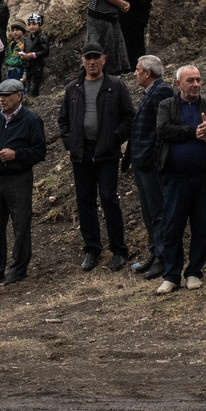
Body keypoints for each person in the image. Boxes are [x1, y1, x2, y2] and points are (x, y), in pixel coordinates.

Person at [151, 65, 206, 293]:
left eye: (198, 80)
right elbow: (163, 130)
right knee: (173, 225)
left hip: (205, 178)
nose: (196, 84)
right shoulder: (167, 105)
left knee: (201, 225)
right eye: (190, 80)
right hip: (176, 178)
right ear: (178, 84)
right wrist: (194, 132)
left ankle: (194, 271)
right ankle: (172, 275)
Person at [56, 48, 132, 273]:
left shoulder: (115, 85)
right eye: (87, 58)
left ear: (103, 59)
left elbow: (129, 116)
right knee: (85, 202)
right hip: (81, 154)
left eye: (96, 57)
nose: (92, 62)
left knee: (109, 200)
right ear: (82, 61)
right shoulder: (73, 89)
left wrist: (114, 138)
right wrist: (72, 144)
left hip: (106, 152)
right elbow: (63, 121)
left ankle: (118, 250)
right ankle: (92, 249)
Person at [0, 78, 45, 287]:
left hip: (19, 178)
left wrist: (17, 154)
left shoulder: (32, 120)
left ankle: (18, 269)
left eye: (6, 96)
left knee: (21, 225)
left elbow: (39, 151)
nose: (1, 99)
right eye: (0, 96)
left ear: (19, 96)